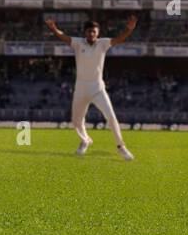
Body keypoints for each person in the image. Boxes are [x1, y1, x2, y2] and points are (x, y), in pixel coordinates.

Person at [44, 16, 138, 160]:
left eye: (94, 32)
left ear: (98, 33)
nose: (91, 34)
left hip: (97, 89)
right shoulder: (78, 43)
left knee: (111, 117)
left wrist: (129, 29)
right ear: (85, 33)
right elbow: (63, 36)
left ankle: (121, 147)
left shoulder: (103, 43)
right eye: (89, 32)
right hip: (81, 88)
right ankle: (85, 140)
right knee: (76, 121)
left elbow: (118, 39)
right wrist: (53, 29)